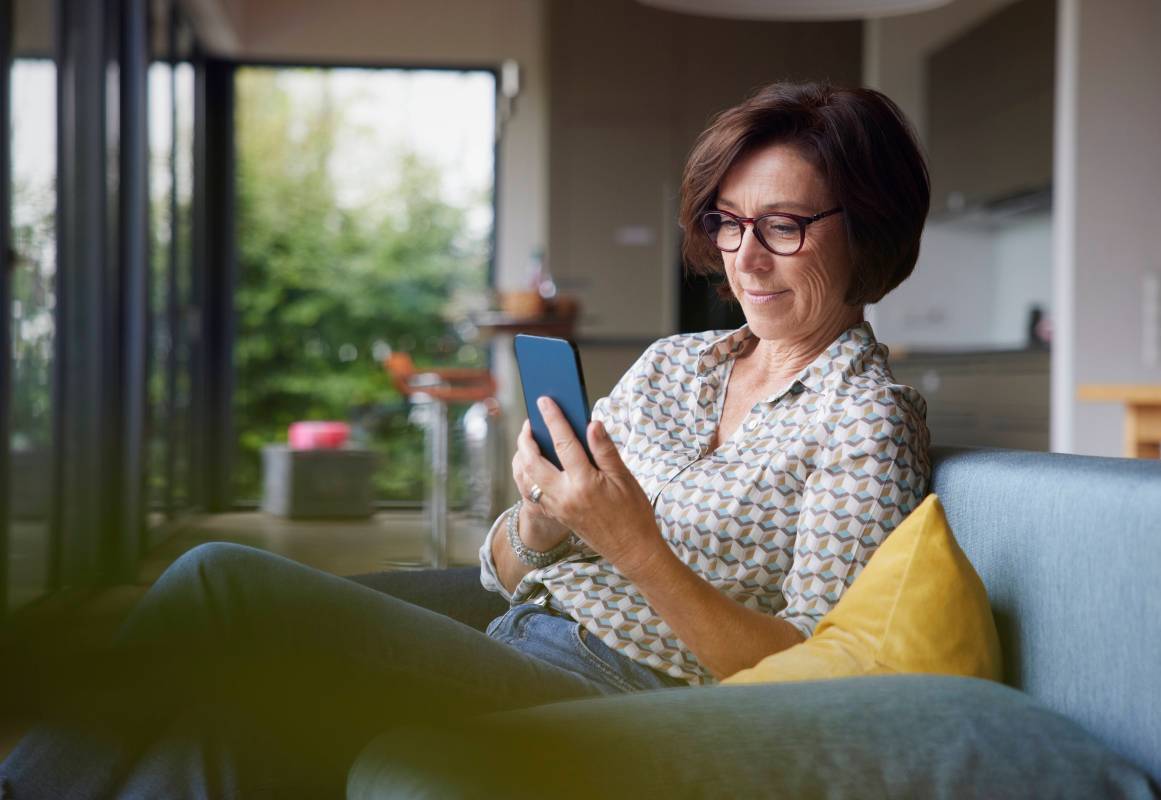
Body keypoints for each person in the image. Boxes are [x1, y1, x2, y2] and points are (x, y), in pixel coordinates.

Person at [0, 80, 931, 797]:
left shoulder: (864, 421)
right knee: (221, 732)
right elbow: (503, 574)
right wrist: (540, 521)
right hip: (514, 636)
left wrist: (633, 544)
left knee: (219, 579)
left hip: (627, 698)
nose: (744, 258)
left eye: (784, 226)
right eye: (729, 224)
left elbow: (805, 676)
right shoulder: (677, 363)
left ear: (872, 230)